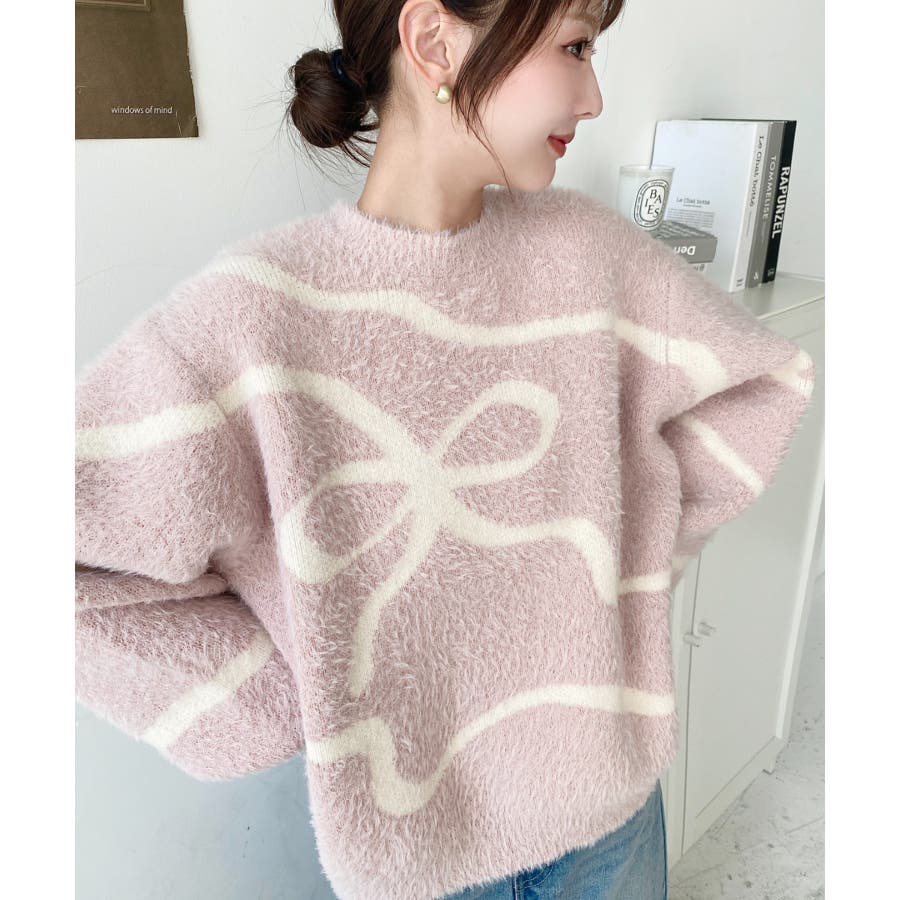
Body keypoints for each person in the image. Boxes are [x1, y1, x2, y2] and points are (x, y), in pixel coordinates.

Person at [75, 2, 815, 899]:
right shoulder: (251, 322)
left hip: (612, 820)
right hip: (423, 863)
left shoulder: (592, 258)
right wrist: (295, 695)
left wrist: (627, 571)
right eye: (576, 45)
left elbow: (758, 387)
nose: (593, 96)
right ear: (435, 40)